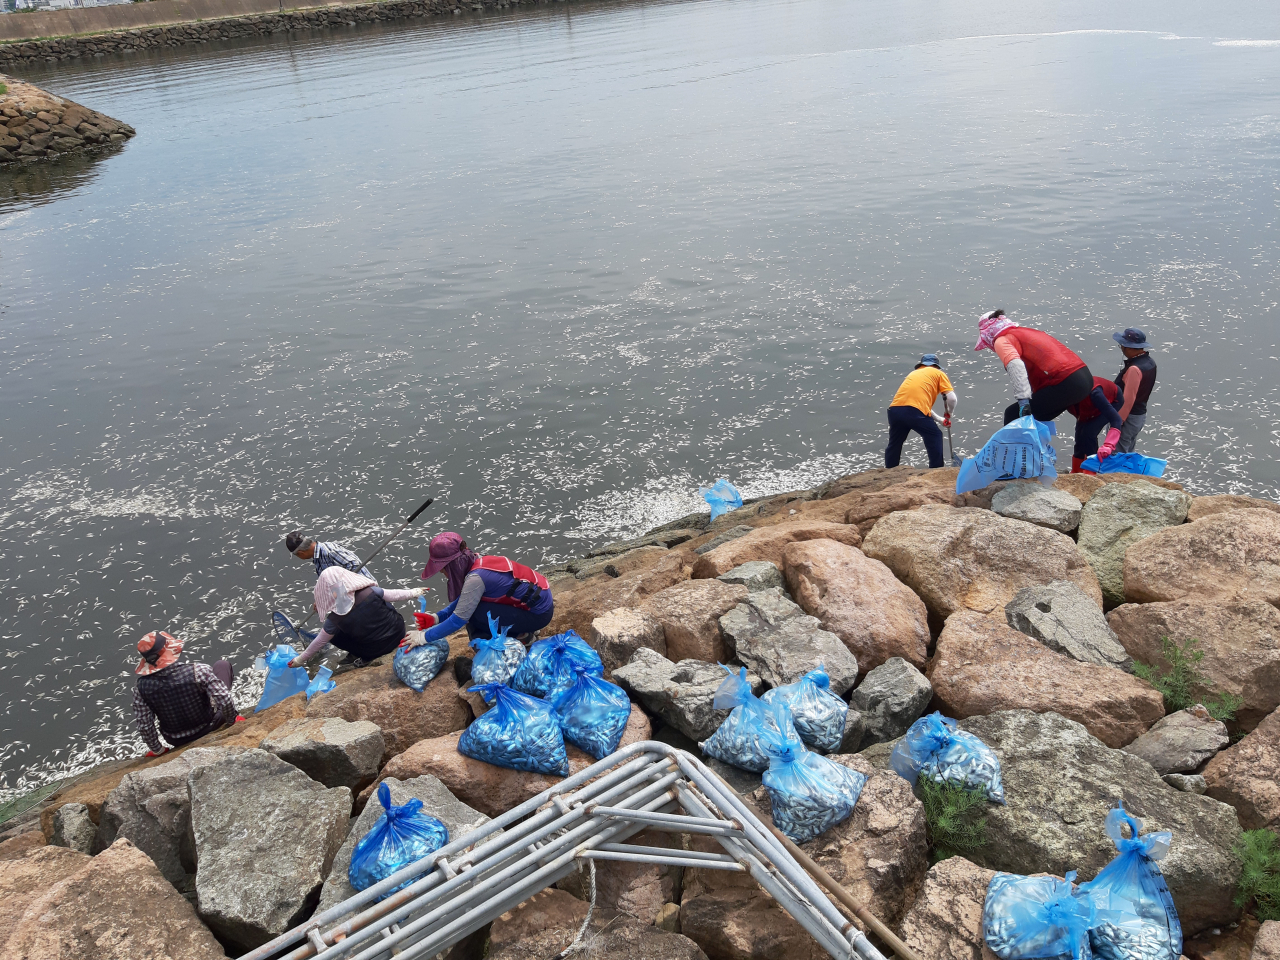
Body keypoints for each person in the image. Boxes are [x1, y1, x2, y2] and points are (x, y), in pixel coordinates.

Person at [408, 532, 554, 648]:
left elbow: (458, 620)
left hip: (539, 614)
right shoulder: (476, 560)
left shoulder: (475, 579)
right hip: (539, 603)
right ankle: (521, 627)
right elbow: (467, 599)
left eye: (442, 569)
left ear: (452, 565)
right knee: (472, 608)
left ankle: (522, 636)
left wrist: (423, 638)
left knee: (473, 616)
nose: (442, 573)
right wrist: (437, 618)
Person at [288, 567, 427, 668]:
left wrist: (300, 660)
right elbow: (396, 595)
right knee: (383, 602)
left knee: (333, 635)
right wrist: (415, 592)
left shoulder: (334, 619)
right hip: (398, 633)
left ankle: (365, 658)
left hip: (375, 651)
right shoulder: (369, 591)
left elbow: (319, 642)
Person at [974, 310, 1095, 424]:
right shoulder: (1024, 332)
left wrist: (1023, 401)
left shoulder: (1001, 340)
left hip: (1067, 382)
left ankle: (1017, 447)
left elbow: (1016, 366)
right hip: (1084, 378)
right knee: (1037, 420)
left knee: (1012, 415)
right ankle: (1038, 446)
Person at [133, 630, 241, 757]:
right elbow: (224, 699)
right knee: (222, 665)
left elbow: (144, 725)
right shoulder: (198, 671)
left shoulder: (140, 688)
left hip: (175, 739)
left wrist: (157, 750)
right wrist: (232, 720)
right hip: (210, 725)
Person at [884, 354, 958, 469]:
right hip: (914, 411)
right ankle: (936, 470)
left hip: (895, 410)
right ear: (937, 366)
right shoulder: (939, 373)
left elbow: (919, 405)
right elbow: (952, 398)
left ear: (921, 365)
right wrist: (950, 413)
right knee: (935, 435)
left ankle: (889, 470)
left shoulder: (913, 374)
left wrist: (940, 420)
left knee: (895, 443)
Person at [1065, 376, 1126, 472]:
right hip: (1085, 405)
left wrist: (1108, 445)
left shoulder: (1095, 394)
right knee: (1080, 435)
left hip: (1113, 400)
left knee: (1089, 432)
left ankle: (1092, 471)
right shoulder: (1064, 395)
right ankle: (1076, 472)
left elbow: (1116, 419)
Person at [1112, 327, 1157, 452]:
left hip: (1128, 417)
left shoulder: (1134, 369)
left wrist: (1117, 422)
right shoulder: (1150, 363)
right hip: (1139, 415)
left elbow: (1128, 399)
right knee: (1128, 448)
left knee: (1118, 451)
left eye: (1122, 345)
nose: (1121, 348)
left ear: (1130, 347)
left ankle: (1117, 471)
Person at [285, 531, 372, 580]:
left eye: (297, 555)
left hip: (367, 592)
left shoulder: (329, 551)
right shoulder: (318, 557)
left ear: (301, 553)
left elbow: (354, 565)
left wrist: (340, 589)